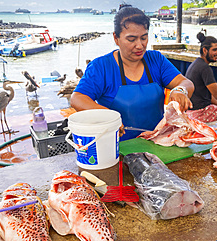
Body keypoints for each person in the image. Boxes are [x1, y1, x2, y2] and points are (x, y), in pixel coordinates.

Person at [71, 4, 194, 141]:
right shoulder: (101, 67)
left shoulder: (156, 60)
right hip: (117, 146)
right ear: (116, 38)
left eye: (143, 38)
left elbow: (186, 82)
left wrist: (180, 90)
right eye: (131, 39)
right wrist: (108, 117)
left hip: (157, 142)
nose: (140, 45)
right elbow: (77, 98)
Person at [185, 32, 217, 110]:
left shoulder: (196, 63)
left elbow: (210, 97)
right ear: (205, 50)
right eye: (214, 50)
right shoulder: (204, 68)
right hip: (199, 112)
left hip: (191, 111)